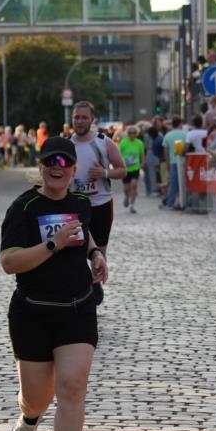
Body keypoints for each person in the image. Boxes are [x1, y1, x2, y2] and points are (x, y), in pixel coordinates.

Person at [0, 136, 108, 431]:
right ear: (41, 166)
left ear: (74, 169)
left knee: (73, 387)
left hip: (77, 308)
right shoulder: (23, 207)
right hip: (32, 313)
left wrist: (95, 254)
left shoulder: (80, 203)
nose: (57, 167)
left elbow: (85, 233)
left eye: (64, 162)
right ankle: (29, 418)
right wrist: (53, 245)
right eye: (50, 161)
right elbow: (9, 262)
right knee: (37, 398)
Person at [69, 100, 126, 304]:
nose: (80, 121)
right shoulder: (67, 144)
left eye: (84, 117)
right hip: (76, 205)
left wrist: (104, 172)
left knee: (98, 250)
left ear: (92, 120)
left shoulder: (104, 142)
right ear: (72, 118)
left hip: (101, 204)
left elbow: (122, 169)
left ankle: (95, 286)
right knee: (75, 249)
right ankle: (81, 289)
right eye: (77, 117)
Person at [161, 116, 187, 210]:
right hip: (184, 162)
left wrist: (167, 164)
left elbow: (166, 152)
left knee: (173, 184)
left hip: (173, 162)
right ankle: (184, 202)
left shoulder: (168, 136)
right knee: (184, 183)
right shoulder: (185, 134)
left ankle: (170, 204)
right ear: (180, 124)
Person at [118, 124, 144, 214]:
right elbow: (118, 154)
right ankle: (126, 196)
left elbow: (142, 155)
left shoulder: (139, 143)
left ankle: (132, 206)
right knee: (126, 188)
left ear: (136, 133)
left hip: (135, 168)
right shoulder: (123, 142)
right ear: (127, 133)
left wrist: (142, 164)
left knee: (134, 185)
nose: (132, 134)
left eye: (134, 133)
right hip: (125, 169)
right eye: (130, 133)